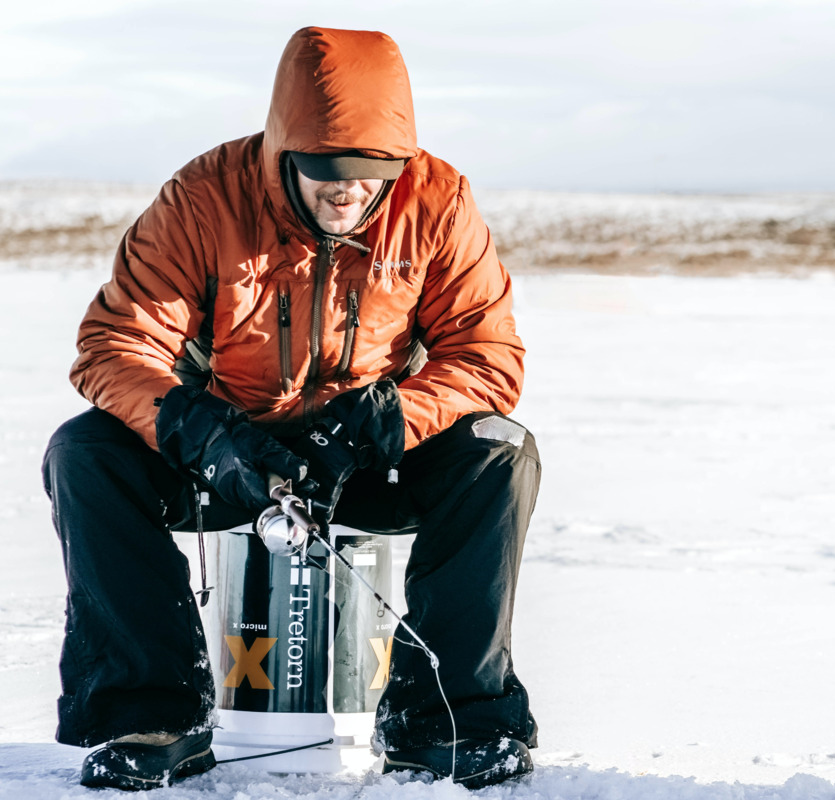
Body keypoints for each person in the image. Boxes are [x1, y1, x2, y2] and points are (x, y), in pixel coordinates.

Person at [42, 27, 539, 791]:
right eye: (326, 174)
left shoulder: (438, 201)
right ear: (284, 155)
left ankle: (447, 719)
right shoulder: (204, 198)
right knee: (87, 451)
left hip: (370, 452)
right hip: (226, 454)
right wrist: (197, 430)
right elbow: (115, 344)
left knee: (498, 449)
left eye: (370, 178)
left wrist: (393, 420)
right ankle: (152, 713)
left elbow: (486, 354)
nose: (348, 193)